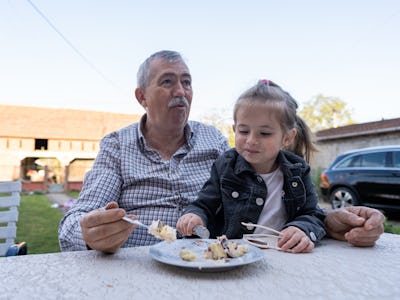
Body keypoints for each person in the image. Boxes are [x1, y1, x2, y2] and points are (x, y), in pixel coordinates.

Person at [58, 50, 385, 254]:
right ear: (141, 96)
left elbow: (261, 189)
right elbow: (74, 222)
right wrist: (91, 235)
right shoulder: (116, 145)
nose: (181, 91)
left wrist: (328, 222)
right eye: (168, 81)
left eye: (187, 81)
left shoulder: (213, 140)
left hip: (212, 266)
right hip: (138, 268)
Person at [177, 80, 326, 253]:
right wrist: (195, 216)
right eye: (244, 131)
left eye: (264, 133)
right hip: (232, 257)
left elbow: (314, 214)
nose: (251, 140)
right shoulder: (226, 166)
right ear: (234, 129)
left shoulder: (298, 170)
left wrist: (302, 229)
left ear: (287, 137)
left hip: (283, 255)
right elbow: (204, 205)